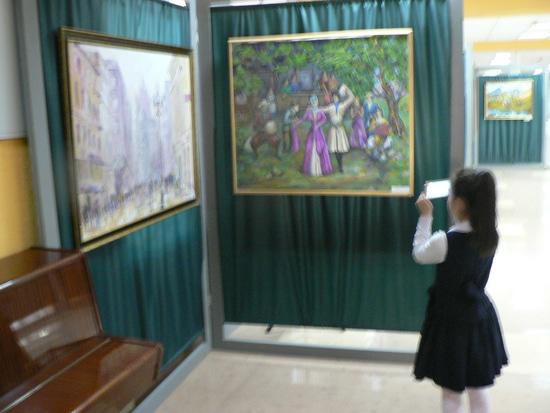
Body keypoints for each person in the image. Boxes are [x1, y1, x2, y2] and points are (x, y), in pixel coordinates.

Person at [412, 169, 508, 413]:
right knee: (479, 388)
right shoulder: (490, 236)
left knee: (451, 391)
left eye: (451, 194)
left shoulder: (444, 241)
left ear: (460, 203)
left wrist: (425, 216)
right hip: (479, 317)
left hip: (450, 322)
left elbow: (419, 253)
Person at [294, 95, 332, 176]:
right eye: (312, 101)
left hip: (318, 133)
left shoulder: (320, 110)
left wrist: (318, 125)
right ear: (311, 102)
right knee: (309, 148)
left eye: (315, 101)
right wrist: (296, 123)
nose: (314, 103)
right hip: (312, 132)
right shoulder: (309, 111)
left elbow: (324, 119)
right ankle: (310, 169)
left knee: (321, 148)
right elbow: (303, 119)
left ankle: (321, 169)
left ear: (317, 102)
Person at [323, 84, 354, 173]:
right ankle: (339, 165)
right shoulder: (330, 107)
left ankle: (340, 165)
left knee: (341, 148)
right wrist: (313, 109)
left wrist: (347, 89)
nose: (335, 99)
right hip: (333, 129)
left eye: (336, 97)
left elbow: (351, 98)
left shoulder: (343, 105)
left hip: (340, 129)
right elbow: (322, 110)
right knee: (335, 148)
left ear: (339, 98)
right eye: (333, 97)